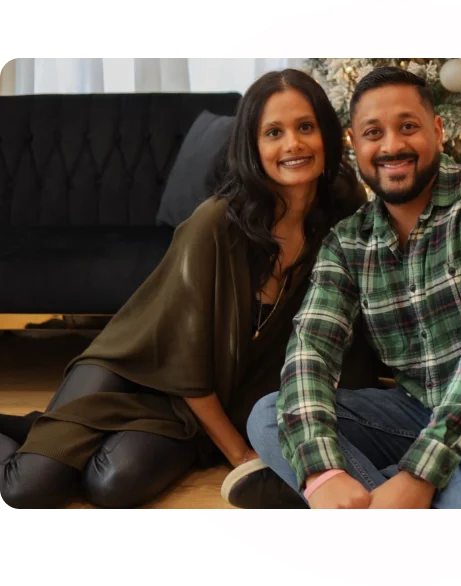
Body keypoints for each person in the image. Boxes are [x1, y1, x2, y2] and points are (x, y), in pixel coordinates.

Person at [223, 66, 461, 509]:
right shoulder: (347, 242)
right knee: (270, 415)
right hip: (419, 414)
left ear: (438, 131)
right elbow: (311, 350)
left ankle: (352, 500)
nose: (391, 146)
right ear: (354, 143)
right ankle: (358, 494)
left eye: (407, 127)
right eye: (374, 132)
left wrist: (419, 474)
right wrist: (321, 470)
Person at [0, 68, 386, 512]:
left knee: (111, 485)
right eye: (273, 132)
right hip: (134, 368)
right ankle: (52, 431)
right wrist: (240, 456)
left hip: (195, 402)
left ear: (328, 135)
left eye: (305, 127)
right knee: (22, 491)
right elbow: (187, 363)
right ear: (253, 146)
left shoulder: (344, 217)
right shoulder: (215, 224)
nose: (292, 144)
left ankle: (44, 432)